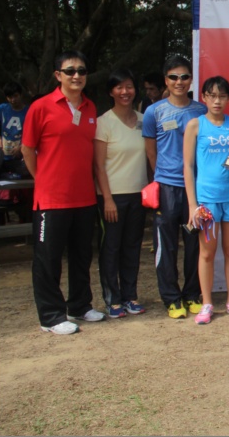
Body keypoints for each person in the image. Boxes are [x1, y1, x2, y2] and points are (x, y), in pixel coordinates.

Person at [22, 50, 105, 334]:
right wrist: (43, 179)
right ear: (58, 75)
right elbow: (27, 149)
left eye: (81, 71)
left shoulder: (90, 108)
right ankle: (51, 316)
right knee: (48, 259)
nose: (76, 76)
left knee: (82, 256)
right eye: (70, 71)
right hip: (51, 199)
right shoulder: (41, 107)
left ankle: (80, 305)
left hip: (84, 197)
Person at [142, 55, 207, 319]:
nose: (179, 82)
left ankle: (192, 295)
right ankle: (171, 298)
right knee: (166, 245)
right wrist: (162, 178)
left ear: (191, 80)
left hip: (197, 188)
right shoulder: (154, 112)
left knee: (194, 244)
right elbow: (151, 152)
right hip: (167, 187)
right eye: (173, 77)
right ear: (166, 80)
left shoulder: (201, 110)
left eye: (184, 77)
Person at [184, 76, 229, 324]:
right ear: (203, 97)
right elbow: (188, 166)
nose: (217, 101)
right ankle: (207, 303)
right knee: (206, 254)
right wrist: (193, 205)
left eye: (222, 96)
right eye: (212, 96)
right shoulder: (195, 125)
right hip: (207, 202)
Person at [94, 69, 149, 318]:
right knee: (111, 248)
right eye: (119, 87)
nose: (125, 92)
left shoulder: (143, 120)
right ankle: (112, 299)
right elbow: (98, 166)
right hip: (112, 196)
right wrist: (107, 199)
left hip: (138, 194)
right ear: (111, 92)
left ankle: (130, 296)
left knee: (132, 246)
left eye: (129, 86)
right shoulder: (103, 122)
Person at [0, 81, 32, 225]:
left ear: (20, 94)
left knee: (25, 184)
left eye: (15, 96)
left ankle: (25, 218)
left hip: (21, 158)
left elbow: (34, 132)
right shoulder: (2, 109)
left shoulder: (29, 111)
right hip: (3, 157)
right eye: (9, 97)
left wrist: (22, 146)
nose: (13, 100)